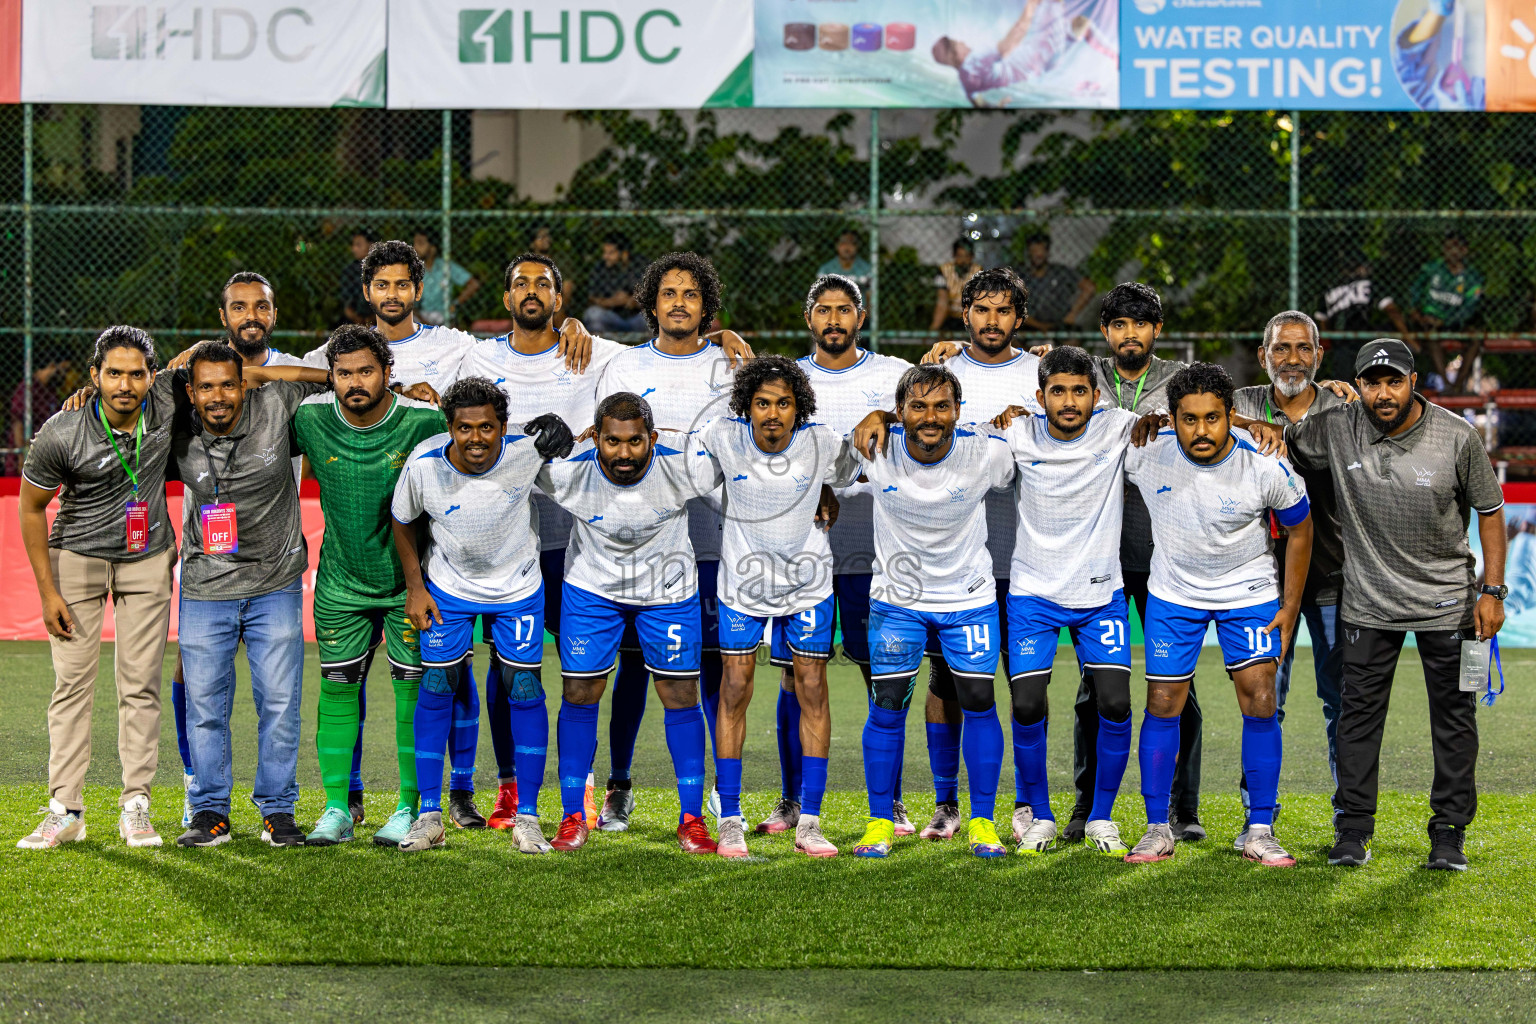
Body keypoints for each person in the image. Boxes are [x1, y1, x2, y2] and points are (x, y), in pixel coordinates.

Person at [1285, 338, 1508, 872]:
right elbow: (1281, 437)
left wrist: (1493, 592)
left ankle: (1449, 833)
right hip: (1367, 603)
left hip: (1451, 604)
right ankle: (1354, 830)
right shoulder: (1337, 427)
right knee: (1357, 721)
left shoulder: (1458, 436)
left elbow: (1492, 512)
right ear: (1357, 385)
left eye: (1393, 381)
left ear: (1413, 382)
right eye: (1371, 382)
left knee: (1455, 719)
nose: (1382, 394)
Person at [1122, 363, 1313, 868]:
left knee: (1261, 699)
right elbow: (1083, 428)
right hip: (1174, 593)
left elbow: (1300, 527)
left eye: (1213, 418)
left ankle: (1260, 829)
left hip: (1247, 592)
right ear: (1172, 418)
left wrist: (1290, 606)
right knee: (1162, 701)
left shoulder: (1264, 463)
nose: (1200, 430)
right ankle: (1156, 827)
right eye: (1188, 419)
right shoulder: (1145, 451)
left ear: (1232, 416)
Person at [390, 377, 574, 854]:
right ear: (449, 427)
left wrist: (566, 434)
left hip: (518, 589)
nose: (476, 438)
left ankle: (527, 817)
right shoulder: (425, 463)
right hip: (448, 589)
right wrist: (415, 587)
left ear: (503, 427)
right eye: (464, 428)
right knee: (437, 687)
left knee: (525, 688)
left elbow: (580, 470)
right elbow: (403, 520)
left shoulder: (526, 453)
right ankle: (430, 814)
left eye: (487, 427)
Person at [536, 392, 722, 854]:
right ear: (594, 437)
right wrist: (530, 433)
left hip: (668, 593)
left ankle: (692, 820)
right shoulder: (566, 469)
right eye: (613, 441)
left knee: (680, 695)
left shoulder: (686, 465)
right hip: (591, 590)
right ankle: (573, 815)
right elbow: (499, 461)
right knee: (580, 693)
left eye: (636, 441)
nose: (624, 453)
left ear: (652, 438)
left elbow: (746, 457)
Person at [592, 252, 737, 830]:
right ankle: (618, 786)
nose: (680, 303)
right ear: (651, 304)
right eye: (669, 294)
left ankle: (718, 795)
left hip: (711, 541)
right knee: (631, 670)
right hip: (638, 546)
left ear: (707, 306)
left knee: (710, 666)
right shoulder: (624, 366)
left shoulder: (730, 367)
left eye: (691, 294)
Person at [849, 364, 1017, 861]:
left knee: (980, 704)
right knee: (887, 708)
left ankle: (982, 822)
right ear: (899, 412)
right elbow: (819, 464)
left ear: (958, 412)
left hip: (968, 600)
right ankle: (880, 820)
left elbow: (1042, 455)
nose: (930, 417)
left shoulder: (987, 452)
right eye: (917, 407)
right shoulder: (872, 446)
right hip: (898, 603)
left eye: (941, 406)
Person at [15, 328, 175, 850]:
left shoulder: (169, 401)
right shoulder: (61, 430)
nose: (125, 384)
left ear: (153, 375)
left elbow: (219, 362)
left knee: (140, 685)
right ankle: (66, 808)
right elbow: (31, 508)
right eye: (113, 373)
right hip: (77, 560)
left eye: (136, 373)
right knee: (71, 687)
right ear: (94, 376)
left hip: (147, 558)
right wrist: (47, 592)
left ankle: (136, 804)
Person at [290, 325, 449, 847]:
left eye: (366, 371)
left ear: (388, 374)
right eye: (343, 373)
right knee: (336, 691)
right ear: (330, 377)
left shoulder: (425, 422)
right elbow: (247, 390)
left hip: (411, 586)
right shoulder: (310, 417)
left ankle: (409, 807)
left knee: (411, 697)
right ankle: (337, 808)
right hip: (340, 581)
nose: (355, 382)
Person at [170, 341, 331, 847]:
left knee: (281, 704)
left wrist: (260, 371)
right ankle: (209, 811)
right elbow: (132, 389)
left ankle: (278, 810)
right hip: (204, 587)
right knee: (205, 706)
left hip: (275, 584)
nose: (218, 396)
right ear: (191, 393)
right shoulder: (173, 423)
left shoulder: (277, 405)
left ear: (246, 384)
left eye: (228, 383)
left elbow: (327, 375)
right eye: (205, 386)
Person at [985, 347, 1144, 855]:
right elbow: (955, 442)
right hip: (1032, 593)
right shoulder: (1016, 433)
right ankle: (1042, 816)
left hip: (1100, 595)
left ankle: (1100, 817)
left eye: (1080, 391)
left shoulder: (1120, 426)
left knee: (1116, 703)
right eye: (1058, 391)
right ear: (1040, 397)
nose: (1069, 401)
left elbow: (1190, 422)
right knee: (1029, 705)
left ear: (1096, 396)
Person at [699, 356, 854, 858]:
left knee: (812, 689)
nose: (772, 413)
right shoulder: (723, 436)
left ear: (798, 408)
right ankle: (730, 819)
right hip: (742, 588)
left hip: (808, 586)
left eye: (783, 403)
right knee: (735, 689)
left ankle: (809, 820)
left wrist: (882, 422)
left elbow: (859, 463)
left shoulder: (821, 441)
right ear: (746, 406)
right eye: (762, 403)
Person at [913, 266, 1038, 845]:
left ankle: (1026, 804)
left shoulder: (1043, 374)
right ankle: (946, 803)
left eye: (1003, 310)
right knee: (948, 684)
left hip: (1026, 556)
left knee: (1022, 684)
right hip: (954, 562)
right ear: (965, 315)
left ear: (1020, 317)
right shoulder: (939, 373)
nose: (992, 321)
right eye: (981, 309)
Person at [791, 275, 915, 835]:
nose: (834, 319)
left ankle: (889, 803)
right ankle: (792, 801)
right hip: (803, 551)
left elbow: (934, 411)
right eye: (824, 310)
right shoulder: (787, 380)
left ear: (860, 318)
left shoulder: (890, 376)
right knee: (798, 677)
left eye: (845, 310)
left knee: (878, 673)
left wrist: (887, 416)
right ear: (809, 318)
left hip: (873, 548)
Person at [1232, 311, 1350, 846]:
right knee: (1263, 697)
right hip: (1258, 581)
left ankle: (1351, 820)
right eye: (1281, 348)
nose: (1292, 359)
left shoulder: (1345, 408)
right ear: (1263, 356)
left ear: (1319, 356)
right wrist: (1248, 424)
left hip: (1332, 576)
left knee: (1341, 700)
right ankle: (1258, 818)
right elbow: (1192, 412)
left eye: (1304, 349)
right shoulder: (1242, 404)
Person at [930, 0, 1113, 106]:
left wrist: (995, 107)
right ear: (955, 55)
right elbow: (1010, 43)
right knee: (1055, 5)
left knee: (1078, 24)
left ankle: (1094, 76)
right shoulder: (973, 60)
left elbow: (977, 103)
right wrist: (1028, 11)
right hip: (1039, 53)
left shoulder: (965, 81)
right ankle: (1112, 59)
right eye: (957, 43)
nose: (962, 41)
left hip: (1039, 68)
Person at [1389, 232, 1487, 389]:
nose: (1451, 252)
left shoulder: (1473, 277)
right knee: (1432, 335)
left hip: (1457, 323)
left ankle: (1458, 384)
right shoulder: (1430, 269)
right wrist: (1416, 313)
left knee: (1476, 337)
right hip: (1430, 322)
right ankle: (1446, 384)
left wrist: (1447, 320)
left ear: (1464, 250)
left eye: (1455, 247)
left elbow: (1470, 308)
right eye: (1448, 247)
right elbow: (1413, 293)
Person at [1315, 251, 1396, 380]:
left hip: (1344, 338)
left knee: (1345, 373)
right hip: (1356, 336)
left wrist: (1328, 335)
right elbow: (1392, 309)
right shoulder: (1366, 284)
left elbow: (1322, 320)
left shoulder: (1330, 287)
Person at [7, 348, 71, 476]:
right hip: (25, 454)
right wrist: (22, 454)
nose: (64, 375)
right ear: (52, 366)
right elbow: (18, 422)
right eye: (63, 370)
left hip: (44, 455)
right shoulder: (27, 388)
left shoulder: (50, 390)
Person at [1018, 233, 1094, 333]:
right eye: (1034, 251)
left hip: (1059, 325)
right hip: (1030, 326)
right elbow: (1014, 306)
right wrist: (1040, 326)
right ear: (1029, 253)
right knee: (1014, 339)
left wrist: (1071, 315)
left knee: (1073, 338)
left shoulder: (1060, 272)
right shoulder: (1021, 276)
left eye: (1041, 251)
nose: (1038, 255)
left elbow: (1089, 287)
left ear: (1047, 252)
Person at [412, 228, 480, 327]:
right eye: (414, 243)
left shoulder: (446, 266)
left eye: (420, 243)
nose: (415, 248)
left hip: (444, 315)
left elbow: (473, 284)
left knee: (450, 323)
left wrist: (455, 304)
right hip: (421, 315)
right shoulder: (414, 269)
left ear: (433, 248)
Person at [582, 234, 647, 336]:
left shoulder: (641, 265)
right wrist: (613, 301)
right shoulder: (600, 268)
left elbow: (655, 295)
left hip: (637, 317)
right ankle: (601, 350)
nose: (605, 256)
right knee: (592, 313)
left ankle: (652, 351)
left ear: (624, 254)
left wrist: (633, 301)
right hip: (611, 317)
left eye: (610, 253)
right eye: (604, 252)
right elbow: (591, 298)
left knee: (655, 315)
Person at [929, 238, 979, 336]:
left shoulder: (978, 272)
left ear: (972, 257)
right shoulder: (945, 271)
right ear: (954, 256)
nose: (963, 260)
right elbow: (942, 302)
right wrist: (934, 328)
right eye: (960, 256)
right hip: (950, 316)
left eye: (967, 256)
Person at [340, 229, 375, 325]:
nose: (354, 249)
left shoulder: (380, 268)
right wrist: (356, 318)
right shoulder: (349, 270)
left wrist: (372, 318)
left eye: (358, 245)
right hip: (354, 318)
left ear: (371, 245)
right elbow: (346, 304)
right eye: (353, 245)